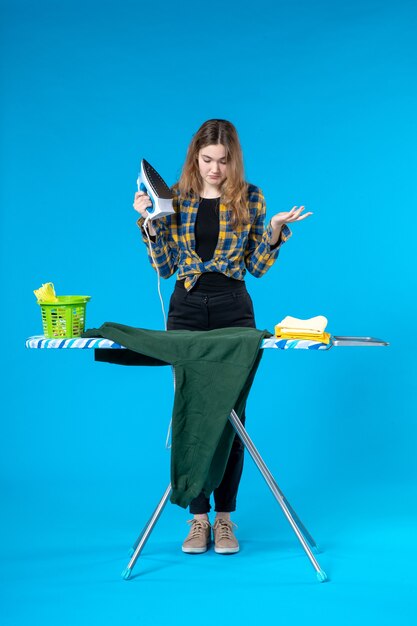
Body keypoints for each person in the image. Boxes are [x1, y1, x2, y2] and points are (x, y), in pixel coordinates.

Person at [133, 119, 312, 555]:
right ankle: (197, 520)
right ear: (196, 156)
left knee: (231, 417)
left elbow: (257, 268)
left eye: (223, 161)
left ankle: (225, 519)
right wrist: (150, 221)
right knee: (193, 411)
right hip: (187, 310)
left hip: (234, 308)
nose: (215, 169)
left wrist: (273, 231)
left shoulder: (251, 197)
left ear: (235, 159)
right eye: (207, 160)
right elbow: (163, 268)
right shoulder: (173, 198)